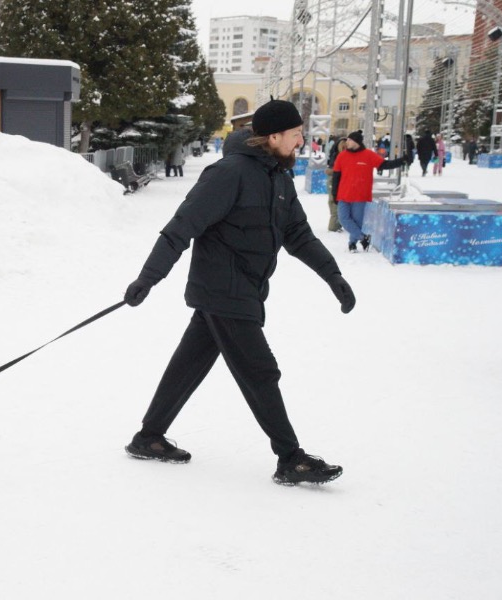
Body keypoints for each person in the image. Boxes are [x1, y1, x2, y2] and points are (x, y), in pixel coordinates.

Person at [121, 99, 355, 486]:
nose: (301, 142)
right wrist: (149, 278)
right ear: (274, 136)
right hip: (222, 289)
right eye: (296, 135)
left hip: (245, 288)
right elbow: (181, 226)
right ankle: (290, 457)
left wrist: (333, 276)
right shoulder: (228, 174)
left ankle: (149, 437)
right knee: (260, 370)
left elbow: (298, 234)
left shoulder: (279, 178)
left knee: (189, 364)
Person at [333, 130, 406, 252]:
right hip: (343, 194)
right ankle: (363, 238)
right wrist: (334, 193)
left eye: (349, 140)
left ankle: (352, 243)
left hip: (360, 195)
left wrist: (401, 161)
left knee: (357, 221)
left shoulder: (368, 155)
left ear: (356, 142)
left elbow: (385, 164)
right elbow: (336, 176)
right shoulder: (342, 155)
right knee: (343, 218)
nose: (347, 142)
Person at [325, 137, 346, 232]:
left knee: (336, 204)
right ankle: (333, 226)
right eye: (343, 146)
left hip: (337, 181)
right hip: (334, 181)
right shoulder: (337, 156)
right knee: (334, 203)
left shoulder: (336, 155)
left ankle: (335, 225)